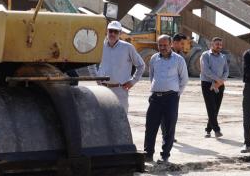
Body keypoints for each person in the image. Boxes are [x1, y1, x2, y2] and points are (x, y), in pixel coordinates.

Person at [143, 34, 188, 163]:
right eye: (160, 45)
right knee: (150, 127)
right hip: (155, 98)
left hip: (171, 98)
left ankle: (165, 155)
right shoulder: (154, 59)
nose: (162, 47)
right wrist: (158, 88)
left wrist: (175, 93)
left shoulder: (178, 60)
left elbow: (184, 79)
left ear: (171, 44)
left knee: (169, 128)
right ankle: (148, 154)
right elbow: (152, 76)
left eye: (165, 45)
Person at [97, 21, 145, 114]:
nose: (112, 34)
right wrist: (97, 78)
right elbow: (91, 64)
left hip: (120, 90)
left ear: (120, 33)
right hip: (103, 89)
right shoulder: (100, 46)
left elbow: (141, 65)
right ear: (107, 31)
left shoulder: (128, 48)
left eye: (115, 31)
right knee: (104, 117)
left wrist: (133, 81)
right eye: (110, 31)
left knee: (121, 117)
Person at [199, 36, 230, 137]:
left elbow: (226, 71)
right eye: (217, 44)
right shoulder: (205, 55)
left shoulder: (223, 57)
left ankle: (208, 129)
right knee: (211, 107)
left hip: (220, 85)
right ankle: (217, 130)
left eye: (220, 45)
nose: (219, 46)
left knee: (216, 108)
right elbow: (206, 70)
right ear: (211, 45)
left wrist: (220, 82)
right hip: (208, 85)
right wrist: (218, 80)